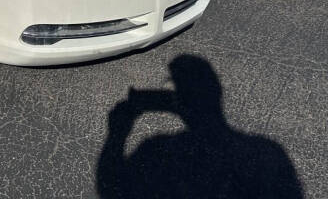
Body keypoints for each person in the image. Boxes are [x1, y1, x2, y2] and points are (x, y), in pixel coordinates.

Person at [97, 55, 302, 198]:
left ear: (179, 99)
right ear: (218, 93)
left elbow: (112, 188)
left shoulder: (158, 151)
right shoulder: (267, 153)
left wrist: (118, 132)